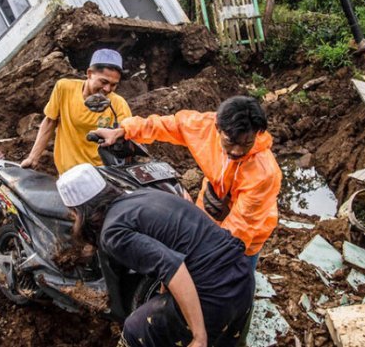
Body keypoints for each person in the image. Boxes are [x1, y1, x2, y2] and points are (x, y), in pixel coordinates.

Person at [57, 164, 255, 347]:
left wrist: (198, 335)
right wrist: (164, 293)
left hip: (216, 293)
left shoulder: (112, 232)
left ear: (79, 212)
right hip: (242, 278)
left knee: (134, 329)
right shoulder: (142, 195)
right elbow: (171, 253)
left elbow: (172, 266)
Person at [92, 95, 282, 267]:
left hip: (246, 237)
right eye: (230, 142)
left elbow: (240, 231)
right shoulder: (204, 127)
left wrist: (207, 258)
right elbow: (168, 125)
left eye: (246, 144)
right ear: (217, 128)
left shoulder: (264, 173)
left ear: (257, 134)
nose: (237, 151)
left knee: (235, 280)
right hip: (208, 210)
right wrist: (124, 130)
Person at [21, 49, 132, 174]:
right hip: (67, 173)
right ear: (89, 73)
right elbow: (50, 122)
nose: (107, 89)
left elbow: (128, 137)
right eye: (103, 82)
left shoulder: (118, 104)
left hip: (99, 175)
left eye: (113, 85)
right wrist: (33, 158)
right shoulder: (64, 88)